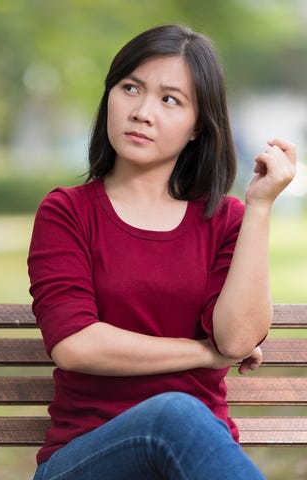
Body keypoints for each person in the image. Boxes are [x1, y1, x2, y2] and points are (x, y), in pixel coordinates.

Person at [27, 24, 296, 480]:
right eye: (131, 88)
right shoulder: (66, 211)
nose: (142, 112)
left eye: (170, 99)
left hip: (190, 464)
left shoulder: (225, 221)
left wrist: (259, 207)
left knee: (176, 417)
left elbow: (236, 341)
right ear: (109, 96)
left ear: (198, 127)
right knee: (171, 415)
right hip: (83, 462)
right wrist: (203, 355)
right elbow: (75, 345)